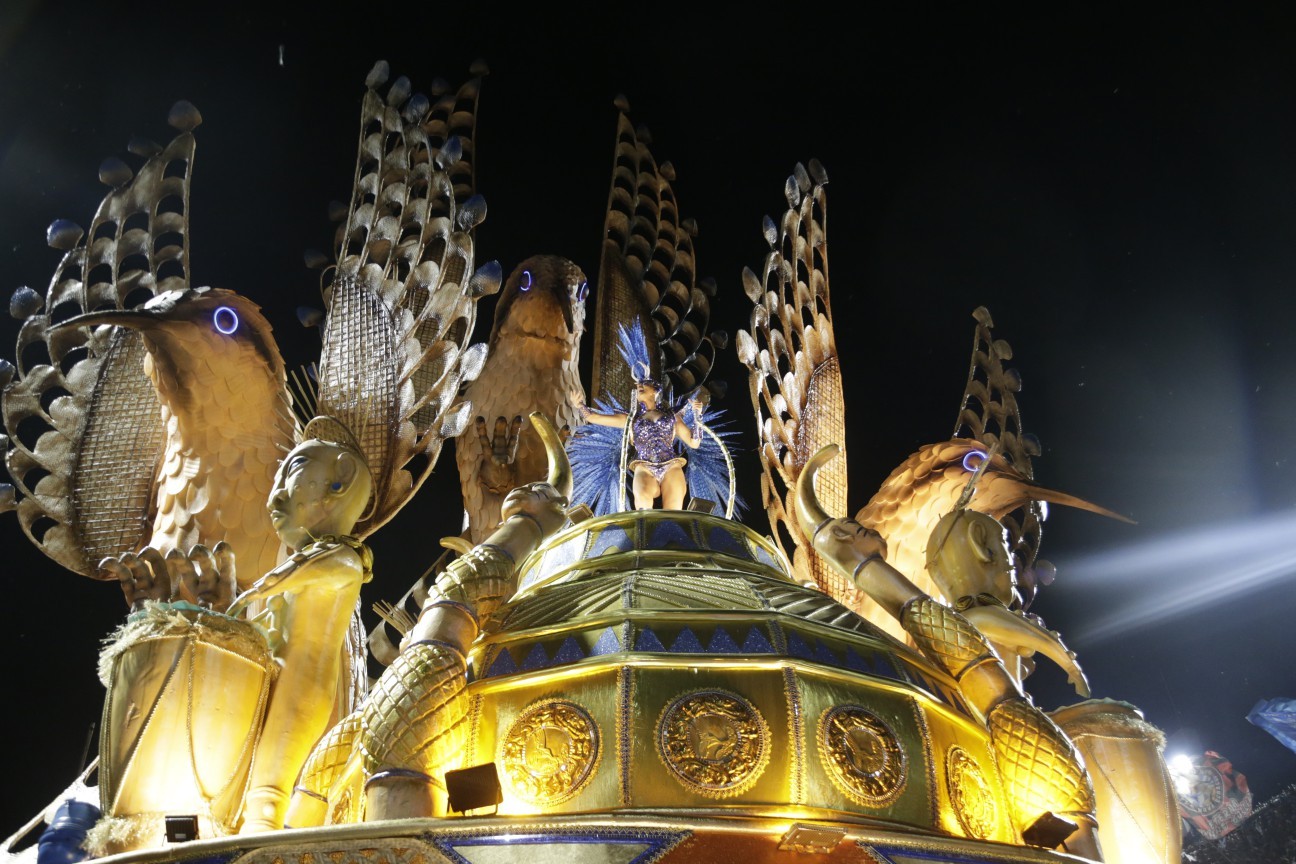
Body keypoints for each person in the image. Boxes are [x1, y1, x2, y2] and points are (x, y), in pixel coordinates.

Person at [570, 371, 705, 510]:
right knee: (643, 509)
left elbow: (694, 443)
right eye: (638, 385)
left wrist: (697, 416)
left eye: (645, 384)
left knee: (673, 514)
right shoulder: (631, 419)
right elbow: (593, 418)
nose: (640, 385)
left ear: (655, 392)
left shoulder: (672, 416)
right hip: (644, 467)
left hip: (671, 466)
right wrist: (579, 405)